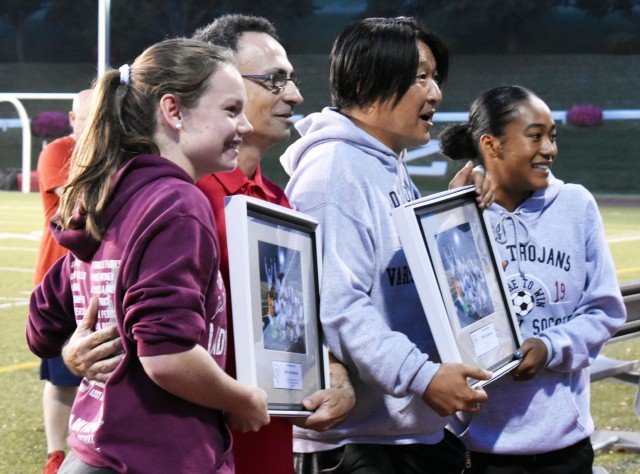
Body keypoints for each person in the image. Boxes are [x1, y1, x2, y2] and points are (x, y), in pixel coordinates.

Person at [60, 14, 355, 474]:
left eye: (292, 80)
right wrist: (74, 348)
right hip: (179, 444)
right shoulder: (180, 195)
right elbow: (88, 298)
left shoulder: (276, 198)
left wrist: (331, 372)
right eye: (275, 80)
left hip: (255, 437)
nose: (294, 96)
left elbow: (288, 318)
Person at [26, 37, 269, 473]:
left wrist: (72, 348)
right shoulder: (177, 201)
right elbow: (167, 356)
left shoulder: (110, 199)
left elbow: (41, 324)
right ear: (173, 110)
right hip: (154, 455)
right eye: (231, 110)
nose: (245, 126)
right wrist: (242, 398)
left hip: (92, 451)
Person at [280, 17, 494, 474]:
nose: (435, 92)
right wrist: (423, 376)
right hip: (359, 447)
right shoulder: (335, 171)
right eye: (420, 76)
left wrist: (450, 215)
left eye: (434, 77)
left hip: (401, 433)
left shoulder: (383, 163)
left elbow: (395, 272)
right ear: (364, 83)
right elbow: (339, 306)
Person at [439, 85, 626, 473]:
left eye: (552, 136)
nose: (550, 149)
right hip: (479, 445)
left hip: (564, 444)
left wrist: (550, 347)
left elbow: (604, 311)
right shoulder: (454, 214)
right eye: (535, 136)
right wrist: (454, 217)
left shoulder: (576, 205)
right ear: (492, 145)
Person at [33, 88, 93, 474]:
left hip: (99, 281)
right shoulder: (59, 151)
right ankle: (57, 455)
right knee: (61, 378)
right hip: (60, 284)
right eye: (87, 118)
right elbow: (81, 196)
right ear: (73, 121)